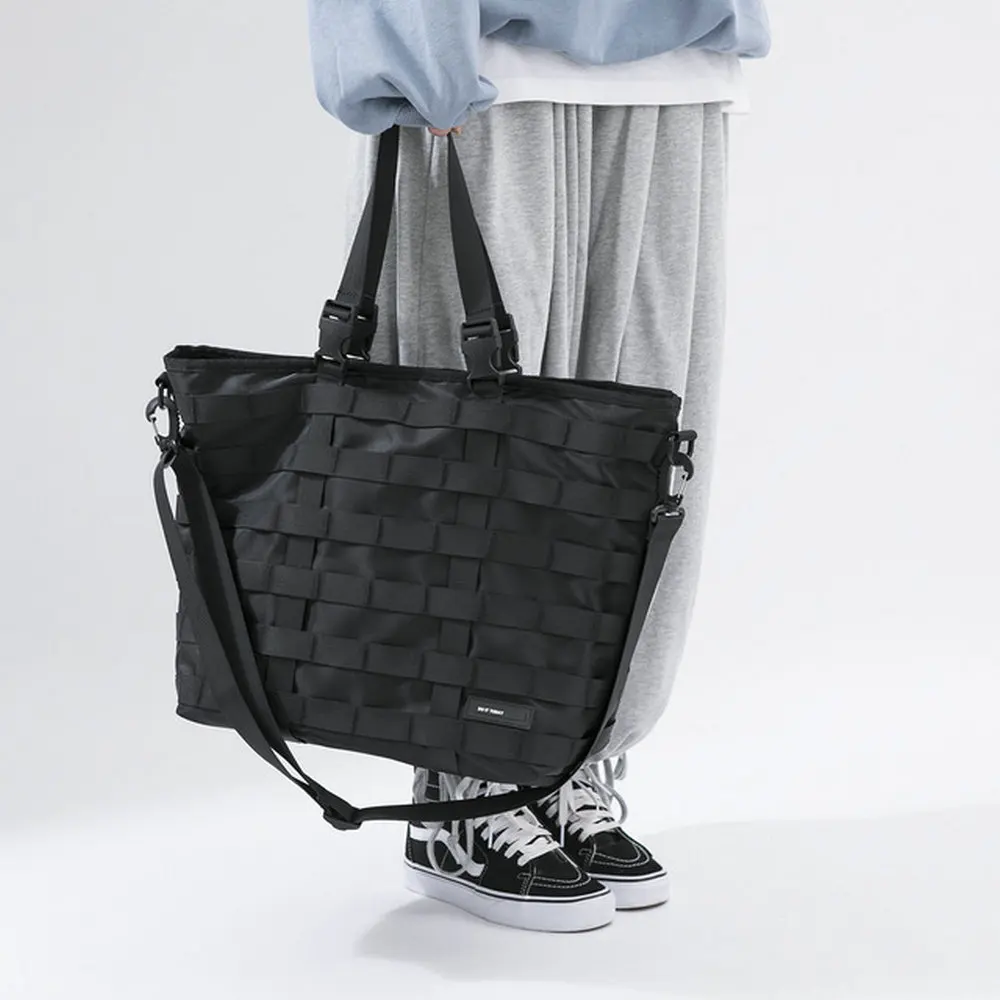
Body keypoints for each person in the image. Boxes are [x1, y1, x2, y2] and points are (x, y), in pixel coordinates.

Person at [306, 0, 771, 933]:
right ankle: (462, 784)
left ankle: (563, 757)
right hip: (487, 70)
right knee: (472, 445)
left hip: (674, 62)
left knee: (638, 442)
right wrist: (413, 51)